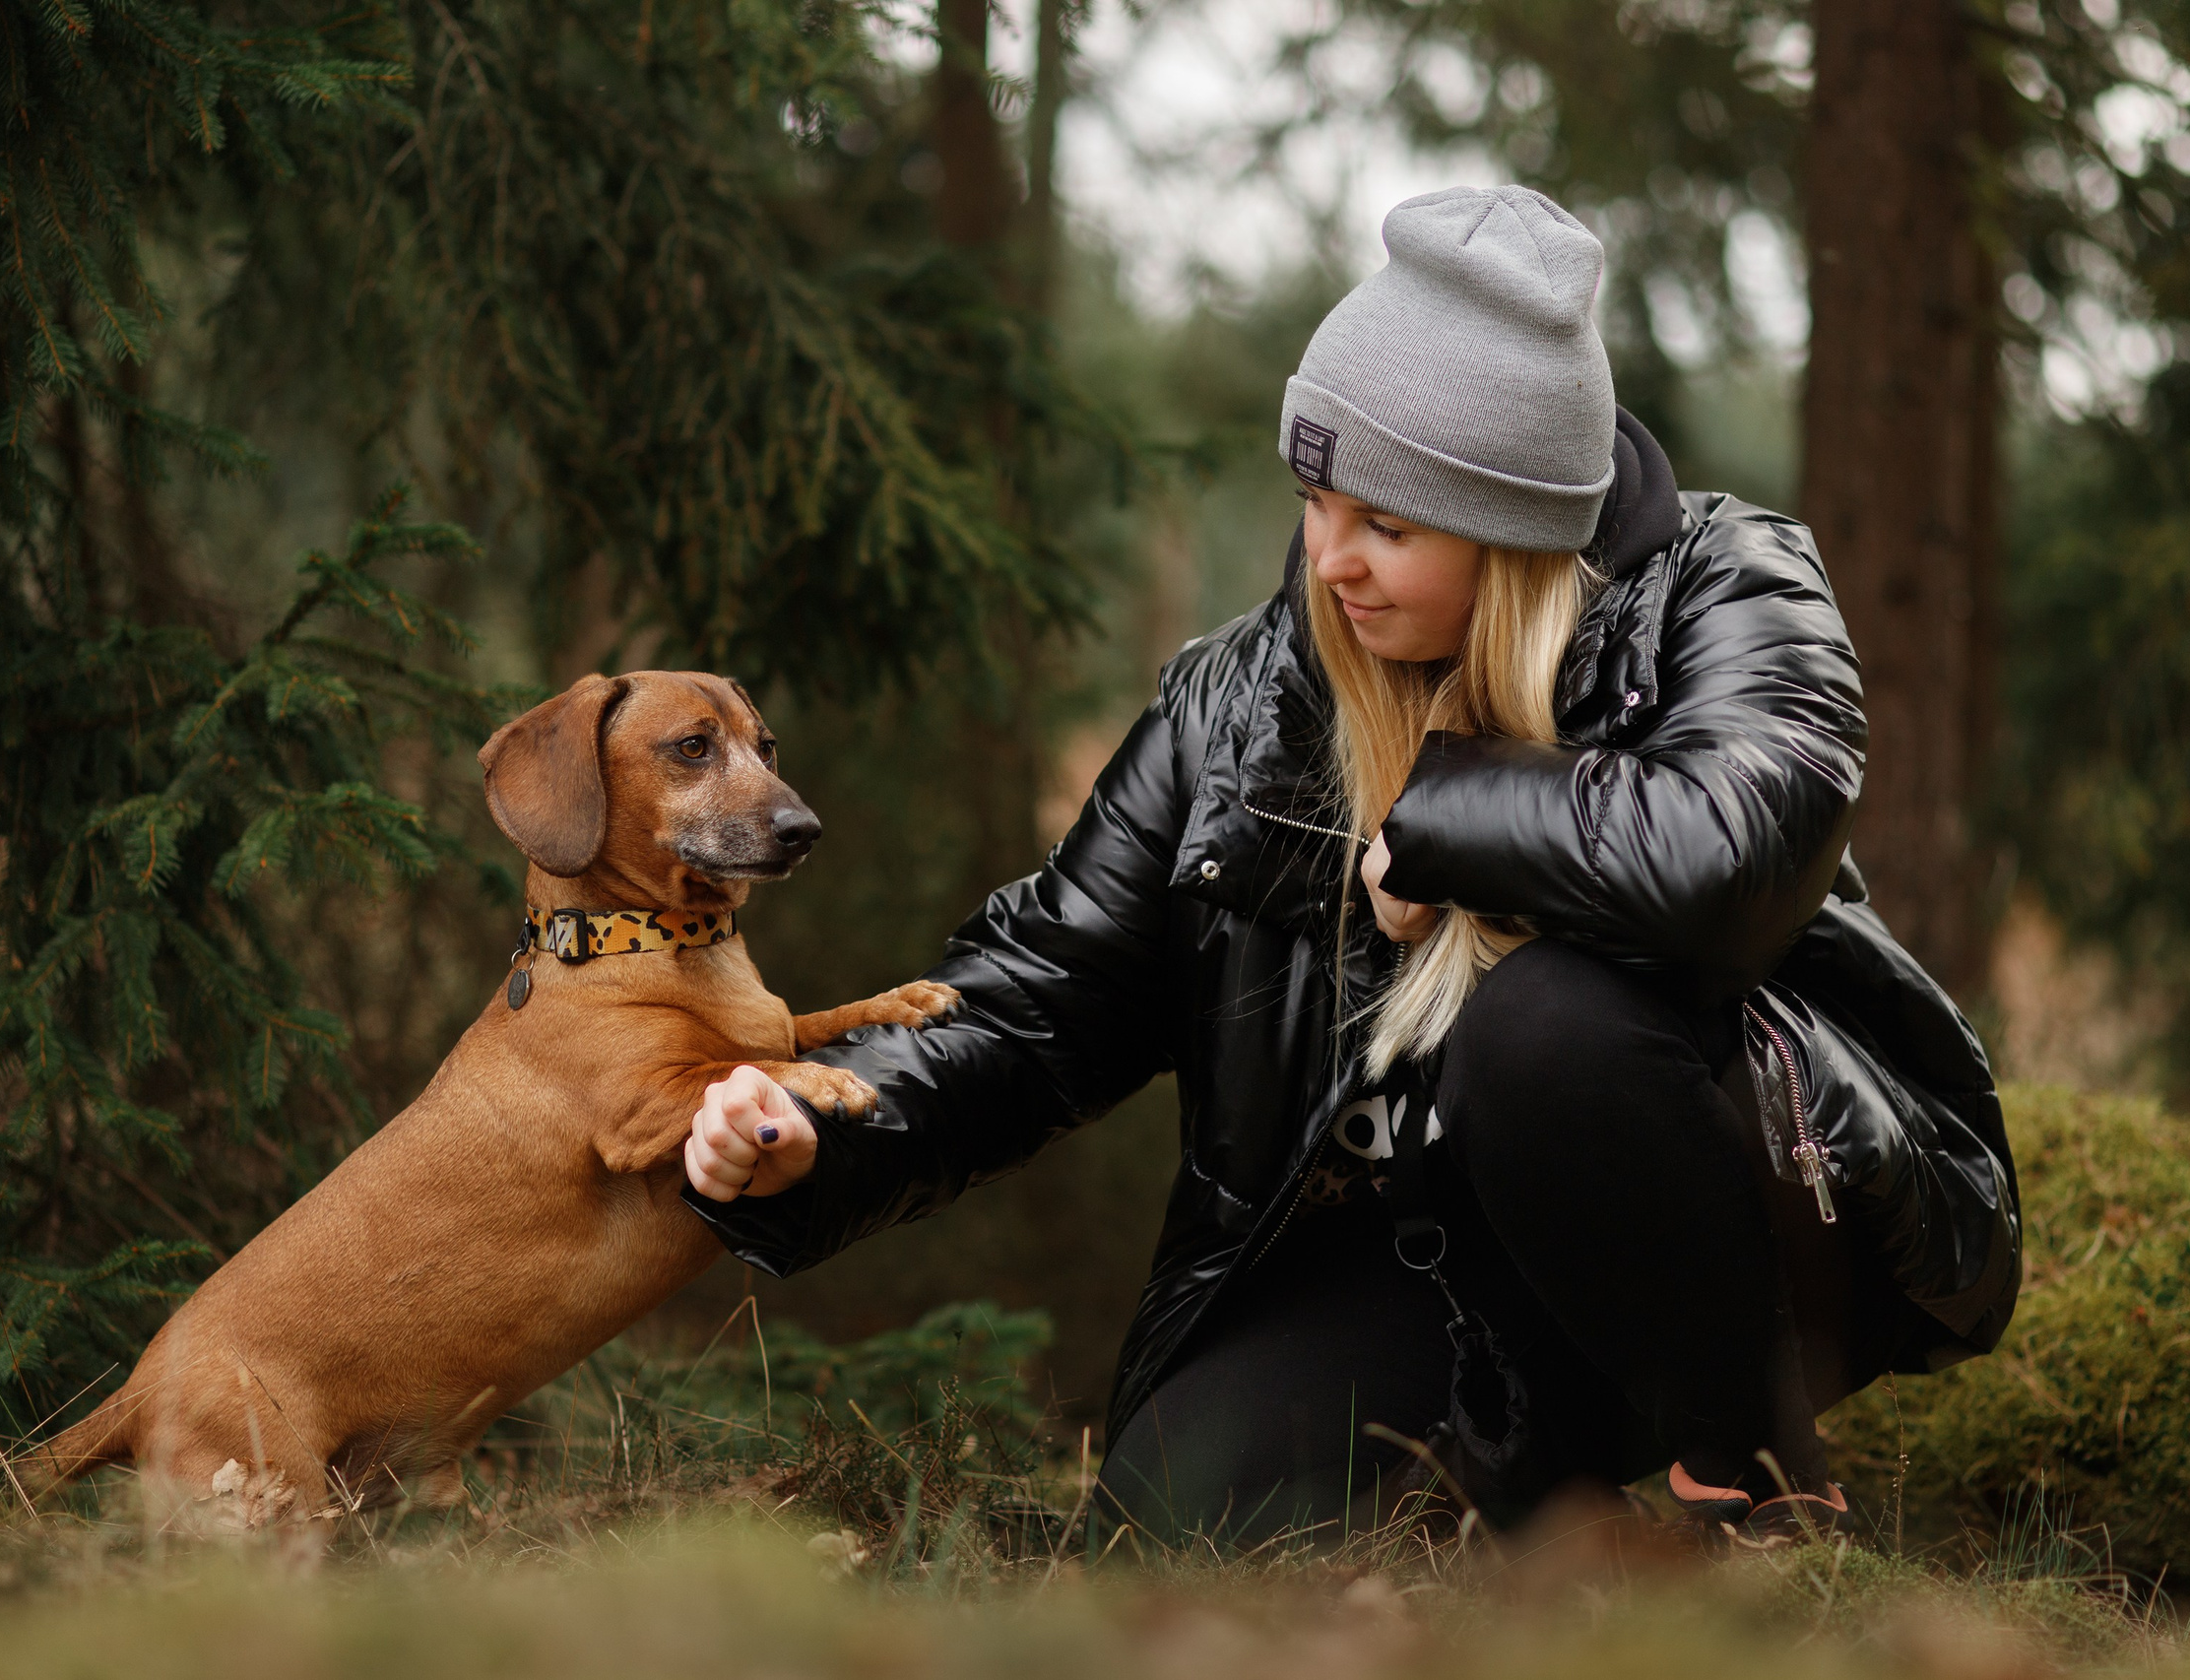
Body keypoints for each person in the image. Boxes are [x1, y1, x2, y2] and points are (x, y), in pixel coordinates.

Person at [679, 185, 2020, 1546]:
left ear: (1508, 531)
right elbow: (1041, 999)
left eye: (1386, 524)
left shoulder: (1723, 587)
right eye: (1315, 500)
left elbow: (1734, 857)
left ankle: (1753, 1479)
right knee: (1167, 1528)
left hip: (1746, 1226)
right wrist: (825, 1126)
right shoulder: (1236, 708)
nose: (1330, 563)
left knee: (1545, 1028)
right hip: (1423, 1263)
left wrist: (1446, 815)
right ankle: (1539, 1511)